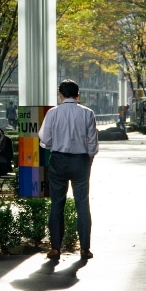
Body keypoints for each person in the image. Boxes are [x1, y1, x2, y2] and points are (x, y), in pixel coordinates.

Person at [38, 79, 99, 261]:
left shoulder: (53, 113)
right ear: (78, 95)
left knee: (57, 204)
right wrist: (88, 159)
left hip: (58, 160)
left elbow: (45, 140)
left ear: (60, 94)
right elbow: (92, 143)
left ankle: (55, 248)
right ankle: (85, 249)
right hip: (81, 161)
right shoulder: (88, 113)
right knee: (82, 204)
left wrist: (55, 144)